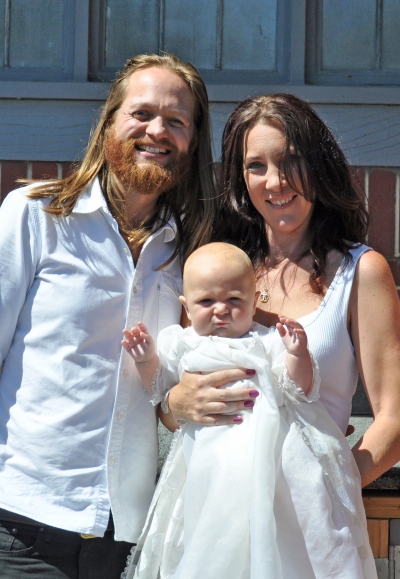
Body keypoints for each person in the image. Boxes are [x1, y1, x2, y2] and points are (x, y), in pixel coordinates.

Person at [0, 53, 231, 579]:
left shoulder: (193, 255)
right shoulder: (36, 216)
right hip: (21, 522)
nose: (157, 130)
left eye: (176, 121)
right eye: (142, 113)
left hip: (125, 534)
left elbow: (171, 393)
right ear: (108, 122)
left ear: (192, 142)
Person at [165, 92, 400, 492]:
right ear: (241, 178)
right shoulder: (215, 269)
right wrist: (173, 405)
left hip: (312, 525)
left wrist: (332, 488)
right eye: (256, 166)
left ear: (318, 165)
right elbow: (177, 397)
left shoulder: (360, 271)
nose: (276, 181)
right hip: (215, 506)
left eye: (291, 161)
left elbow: (393, 419)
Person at [121, 242, 376, 579]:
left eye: (234, 300)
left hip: (273, 466)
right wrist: (145, 360)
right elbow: (158, 387)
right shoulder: (182, 342)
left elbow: (300, 389)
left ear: (255, 302)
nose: (220, 310)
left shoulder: (267, 341)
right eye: (206, 301)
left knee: (284, 543)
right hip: (208, 467)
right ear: (186, 305)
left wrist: (297, 355)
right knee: (210, 541)